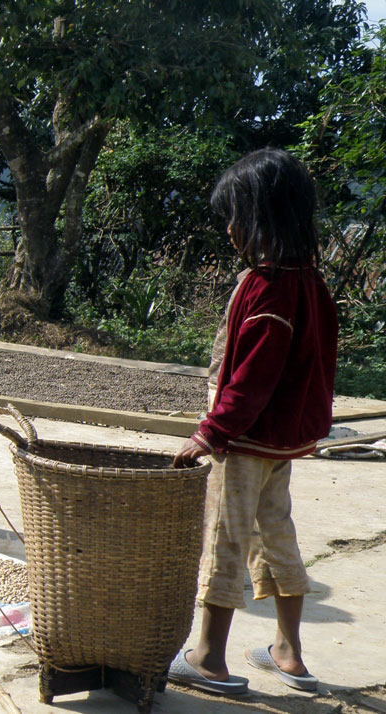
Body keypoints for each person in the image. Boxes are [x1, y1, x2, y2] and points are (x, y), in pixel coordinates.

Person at [168, 148, 338, 695]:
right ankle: (288, 651)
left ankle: (209, 657)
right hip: (281, 444)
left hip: (243, 443)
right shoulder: (311, 282)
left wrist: (208, 434)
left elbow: (251, 379)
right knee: (277, 536)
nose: (229, 229)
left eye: (235, 216)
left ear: (262, 218)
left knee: (225, 540)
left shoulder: (267, 287)